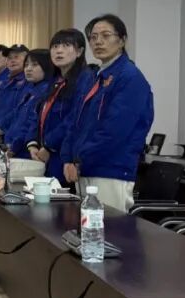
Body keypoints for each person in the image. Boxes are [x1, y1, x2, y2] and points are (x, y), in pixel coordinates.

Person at [60, 14, 154, 212]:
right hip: (84, 168)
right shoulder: (95, 77)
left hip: (110, 170)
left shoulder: (130, 78)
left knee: (109, 229)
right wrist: (68, 158)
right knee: (85, 228)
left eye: (106, 35)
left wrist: (79, 160)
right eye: (93, 37)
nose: (98, 42)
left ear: (122, 40)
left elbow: (114, 131)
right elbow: (75, 123)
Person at [26, 29, 95, 180]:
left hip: (65, 154)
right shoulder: (55, 81)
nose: (59, 51)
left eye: (66, 45)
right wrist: (33, 144)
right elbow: (39, 115)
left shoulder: (85, 79)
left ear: (79, 51)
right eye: (55, 46)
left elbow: (73, 119)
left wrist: (49, 145)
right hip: (45, 154)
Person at [4, 49, 55, 157]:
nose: (28, 69)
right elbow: (17, 119)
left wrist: (14, 147)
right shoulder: (30, 90)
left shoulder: (46, 92)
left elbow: (30, 124)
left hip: (29, 151)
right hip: (15, 148)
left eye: (35, 65)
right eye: (26, 65)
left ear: (47, 66)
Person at [0, 44, 29, 143]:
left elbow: (19, 110)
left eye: (16, 57)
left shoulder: (28, 82)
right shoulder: (2, 83)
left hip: (13, 138)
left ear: (27, 60)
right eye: (9, 58)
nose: (12, 61)